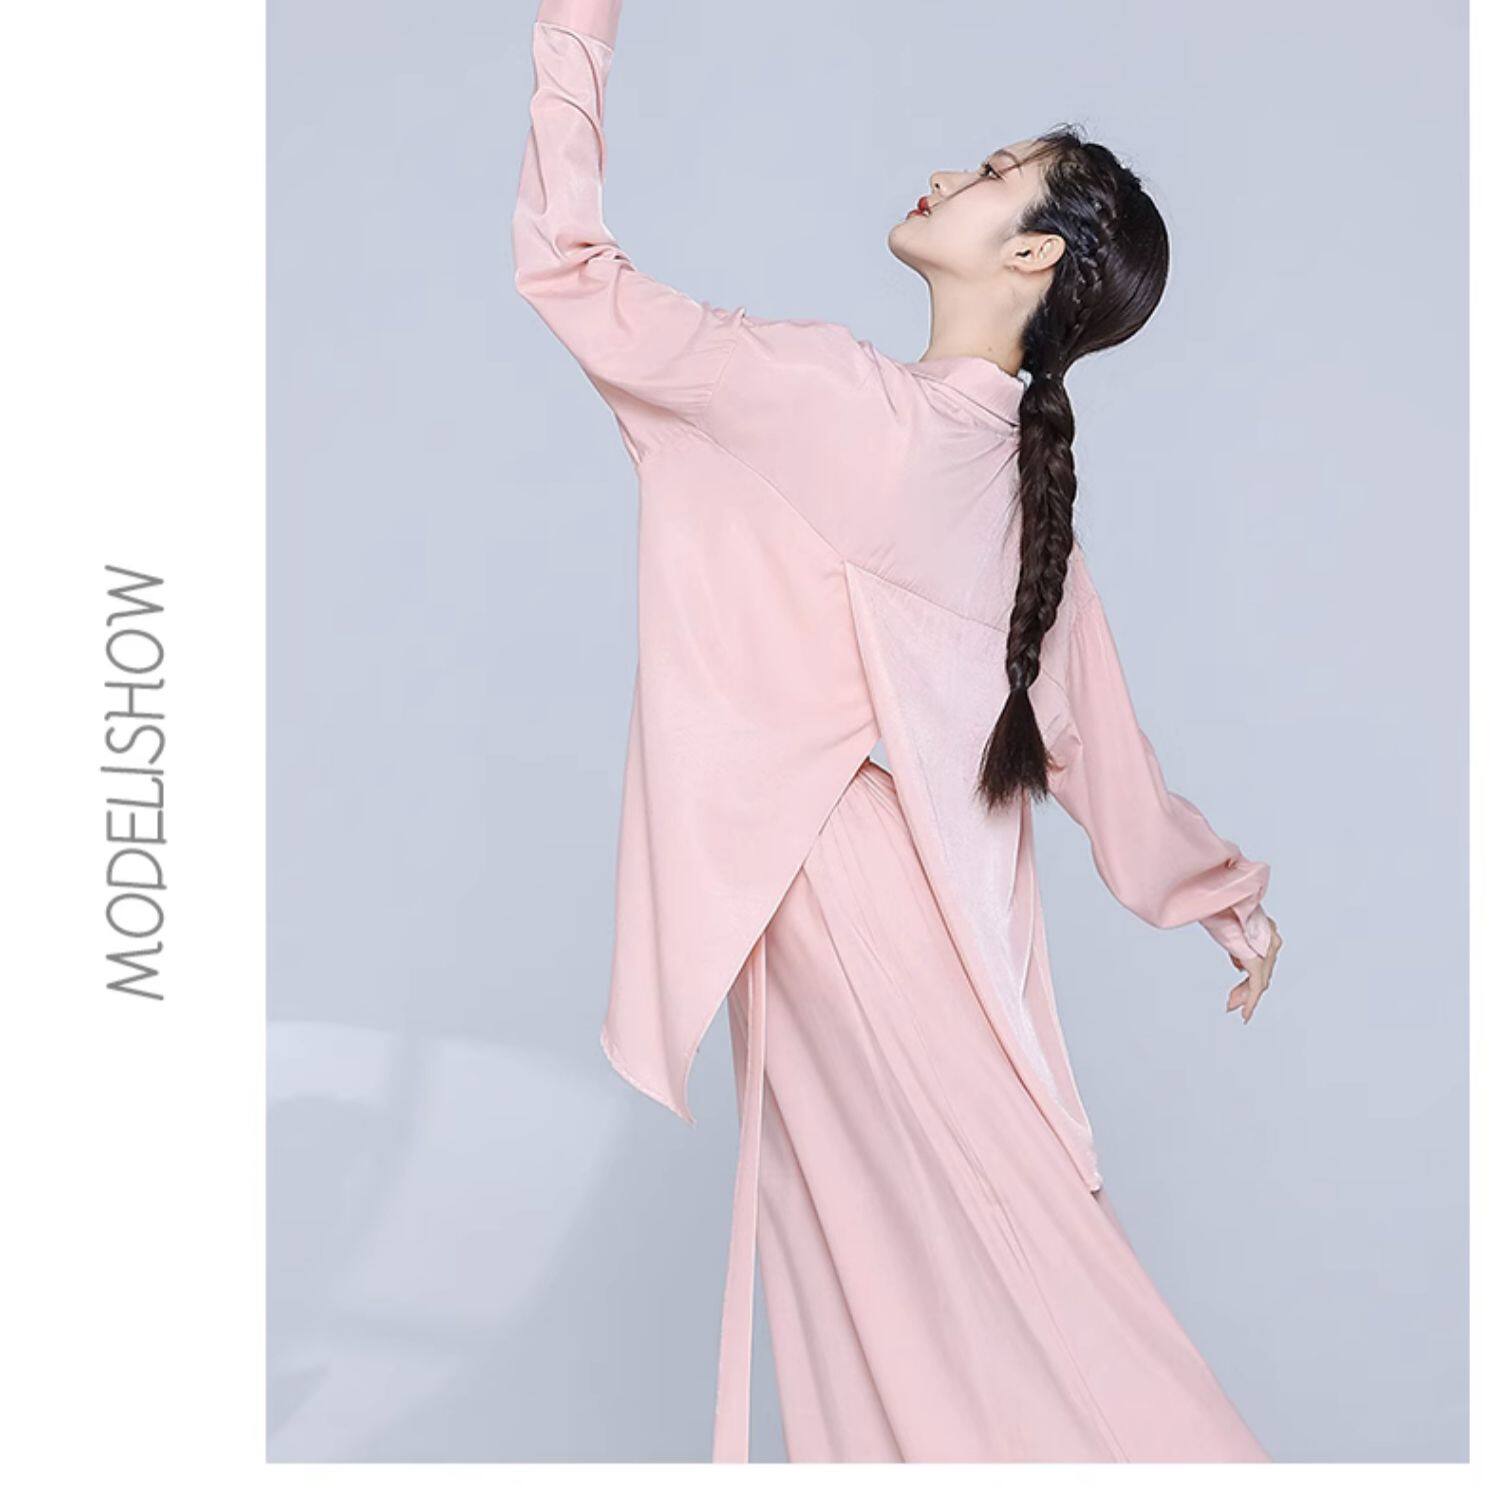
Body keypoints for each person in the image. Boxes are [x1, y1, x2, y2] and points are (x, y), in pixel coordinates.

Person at [512, 0, 1284, 1463]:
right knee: (967, 1297)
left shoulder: (829, 397)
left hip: (827, 892)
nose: (947, 173)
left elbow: (567, 268)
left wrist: (576, 31)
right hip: (899, 915)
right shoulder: (1024, 497)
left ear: (1034, 254)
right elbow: (1103, 754)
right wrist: (1217, 898)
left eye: (992, 172)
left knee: (946, 1298)